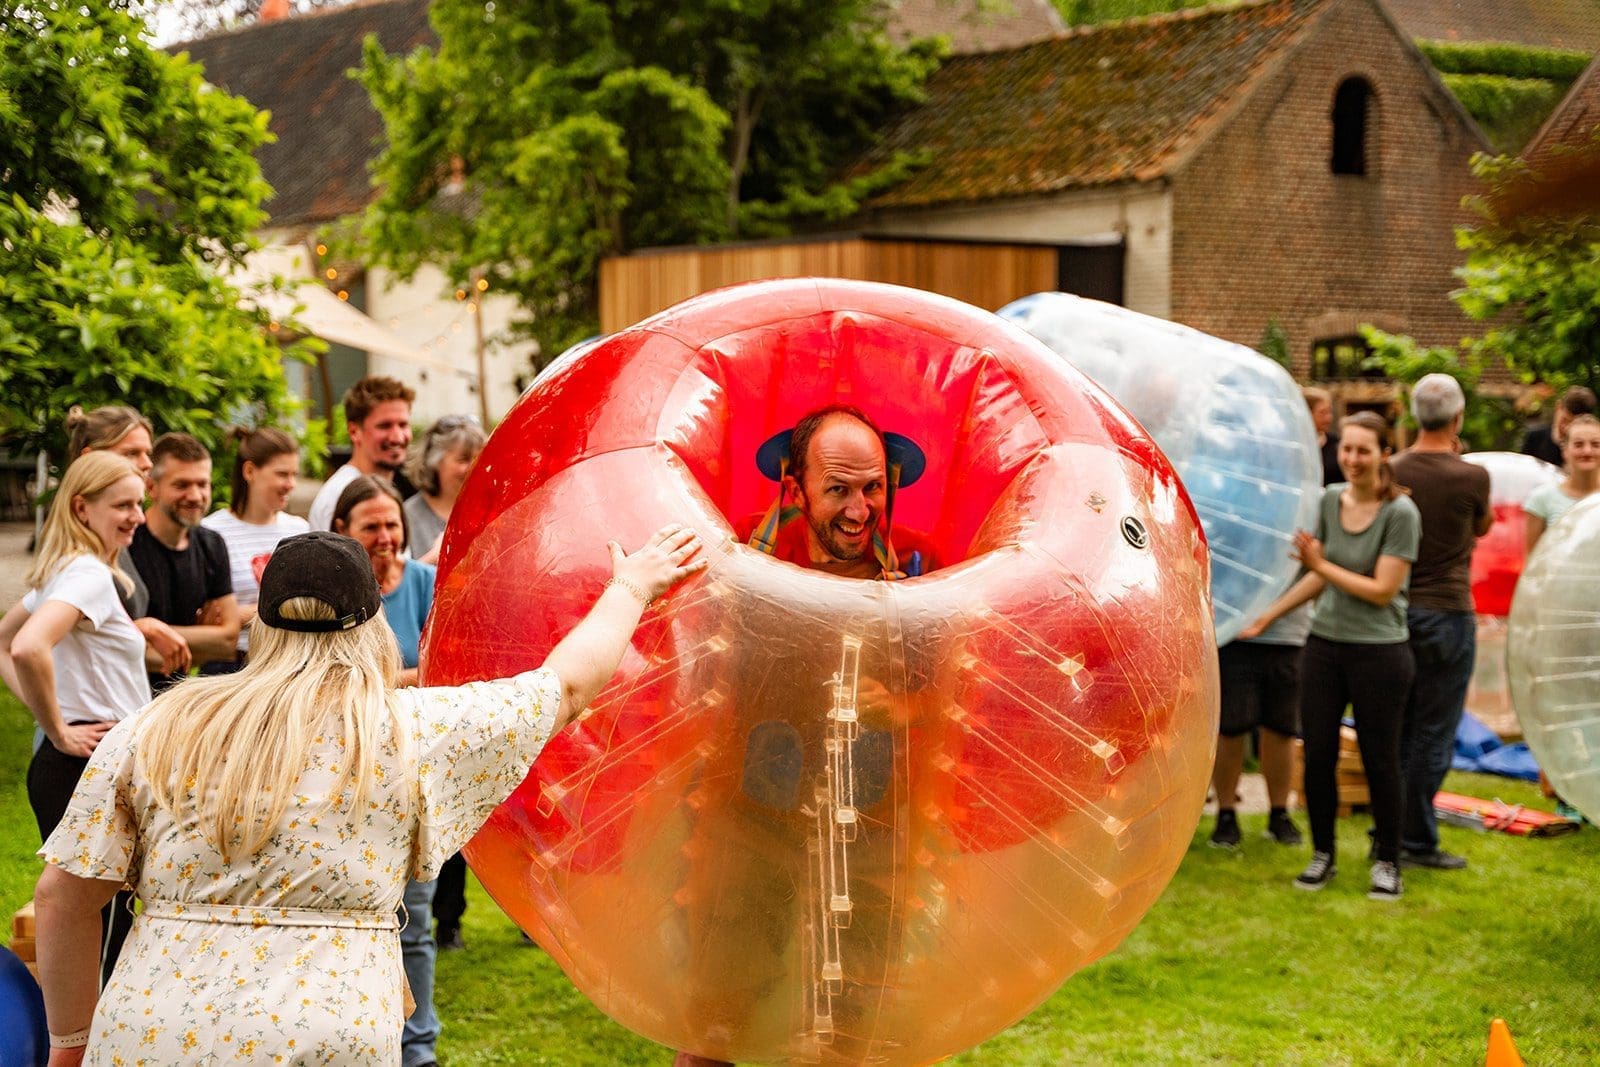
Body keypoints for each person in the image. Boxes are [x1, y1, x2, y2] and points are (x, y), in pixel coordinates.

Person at [32, 526, 705, 1064]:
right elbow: (568, 685)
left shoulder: (158, 725)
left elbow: (64, 895)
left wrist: (70, 1038)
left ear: (263, 623)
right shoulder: (413, 729)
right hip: (329, 1034)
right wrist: (629, 585)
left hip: (154, 1031)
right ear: (371, 626)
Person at [677, 406, 938, 1067]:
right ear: (795, 488)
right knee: (716, 1013)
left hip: (874, 826)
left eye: (873, 487)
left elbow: (950, 699)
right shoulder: (748, 557)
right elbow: (697, 679)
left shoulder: (918, 566)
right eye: (839, 489)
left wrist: (896, 708)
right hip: (755, 819)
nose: (860, 510)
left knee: (859, 1023)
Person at [1242, 412, 1420, 901]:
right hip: (1324, 648)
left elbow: (1382, 590)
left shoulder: (1400, 513)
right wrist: (1269, 615)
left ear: (1386, 453)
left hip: (1381, 654)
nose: (1353, 459)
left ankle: (1387, 861)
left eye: (1364, 450)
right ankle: (1323, 855)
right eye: (1347, 449)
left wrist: (1322, 563)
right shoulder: (1327, 499)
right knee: (1317, 756)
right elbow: (1322, 576)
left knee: (1380, 759)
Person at [0, 452, 151, 987]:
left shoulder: (71, 569)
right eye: (122, 504)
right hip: (89, 766)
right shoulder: (86, 572)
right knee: (108, 936)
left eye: (139, 502)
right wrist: (59, 728)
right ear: (83, 508)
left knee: (96, 927)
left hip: (75, 766)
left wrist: (55, 724)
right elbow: (26, 647)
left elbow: (4, 641)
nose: (136, 514)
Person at [331, 474, 441, 1066]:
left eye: (392, 524)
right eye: (370, 526)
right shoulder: (337, 596)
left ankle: (417, 1048)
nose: (385, 536)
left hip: (412, 768)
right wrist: (406, 680)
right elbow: (333, 682)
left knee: (414, 919)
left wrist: (376, 683)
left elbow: (448, 669)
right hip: (345, 774)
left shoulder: (425, 582)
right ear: (343, 532)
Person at [1388, 375, 1491, 871]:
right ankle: (1416, 841)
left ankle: (1392, 829)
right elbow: (1481, 527)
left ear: (1412, 416)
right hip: (1449, 612)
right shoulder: (1471, 476)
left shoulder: (1392, 470)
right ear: (1458, 418)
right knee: (1435, 730)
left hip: (1397, 613)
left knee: (1400, 729)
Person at [61, 406, 189, 676]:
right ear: (90, 458)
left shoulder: (109, 537)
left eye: (147, 453)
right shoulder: (78, 554)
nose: (147, 464)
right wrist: (143, 628)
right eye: (131, 453)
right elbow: (35, 642)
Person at [126, 434, 240, 692]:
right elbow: (121, 644)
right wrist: (202, 639)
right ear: (151, 487)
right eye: (181, 485)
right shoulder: (126, 544)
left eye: (203, 484)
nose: (195, 496)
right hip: (125, 698)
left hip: (176, 696)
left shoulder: (213, 545)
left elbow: (228, 640)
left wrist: (154, 634)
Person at [199, 427, 311, 672]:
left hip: (286, 664)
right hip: (229, 665)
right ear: (250, 471)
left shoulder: (299, 529)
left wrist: (241, 614)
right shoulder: (211, 532)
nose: (291, 484)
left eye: (294, 474)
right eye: (282, 474)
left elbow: (309, 603)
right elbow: (208, 617)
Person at [1208, 606, 1309, 850]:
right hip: (1233, 631)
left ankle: (1279, 814)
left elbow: (1316, 575)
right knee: (1230, 728)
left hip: (1288, 637)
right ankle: (1226, 815)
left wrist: (1270, 615)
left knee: (1282, 729)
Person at [309, 375, 415, 531]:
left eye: (403, 425)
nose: (397, 437)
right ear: (354, 431)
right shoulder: (339, 495)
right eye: (384, 426)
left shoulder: (388, 490)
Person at [403, 415, 487, 566]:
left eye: (479, 458)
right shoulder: (406, 518)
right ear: (434, 461)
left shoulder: (489, 512)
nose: (474, 467)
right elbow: (398, 585)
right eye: (463, 459)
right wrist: (433, 559)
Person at [1524, 413, 1600, 552]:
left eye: (1595, 444)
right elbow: (1531, 564)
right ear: (1565, 451)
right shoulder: (1541, 499)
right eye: (1578, 444)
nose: (1587, 451)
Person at [1520, 385, 1597, 467]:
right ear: (1558, 407)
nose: (1566, 427)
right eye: (1565, 420)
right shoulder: (1535, 438)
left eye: (1573, 424)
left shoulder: (1587, 451)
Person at [1303, 387, 1341, 486]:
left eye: (1329, 412)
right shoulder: (1297, 445)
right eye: (1322, 413)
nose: (1328, 418)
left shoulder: (1336, 443)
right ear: (1307, 413)